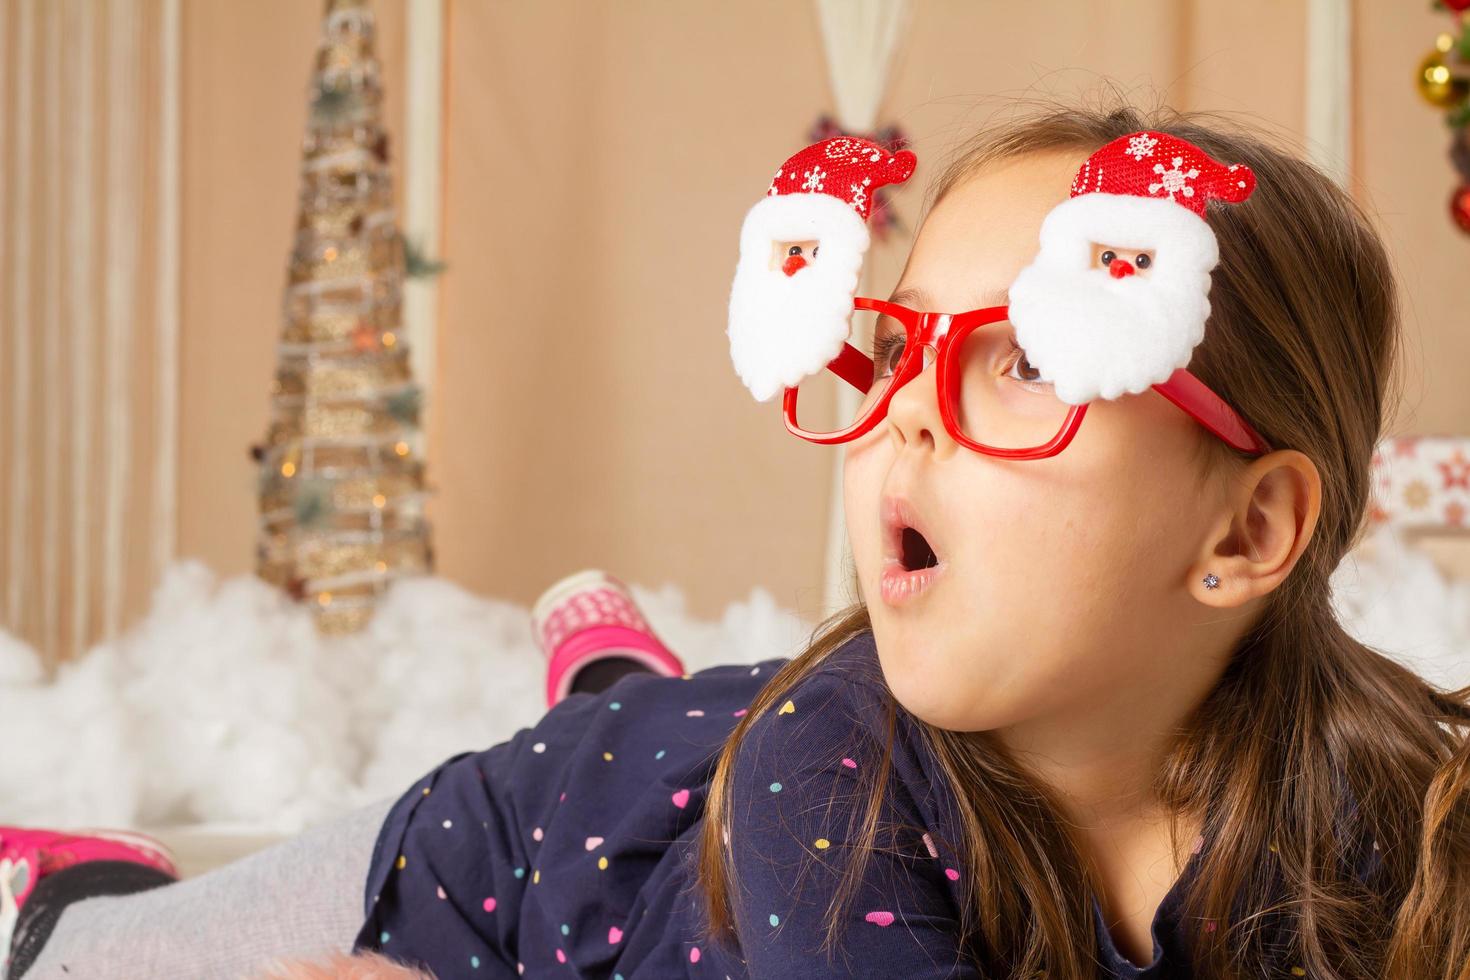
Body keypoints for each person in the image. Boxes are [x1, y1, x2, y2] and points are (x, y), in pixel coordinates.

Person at [6, 91, 1469, 979]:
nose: (903, 413)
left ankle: (629, 690)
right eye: (896, 350)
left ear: (1249, 528)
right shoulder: (822, 777)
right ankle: (89, 879)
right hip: (532, 852)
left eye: (1025, 359)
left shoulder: (1383, 810)